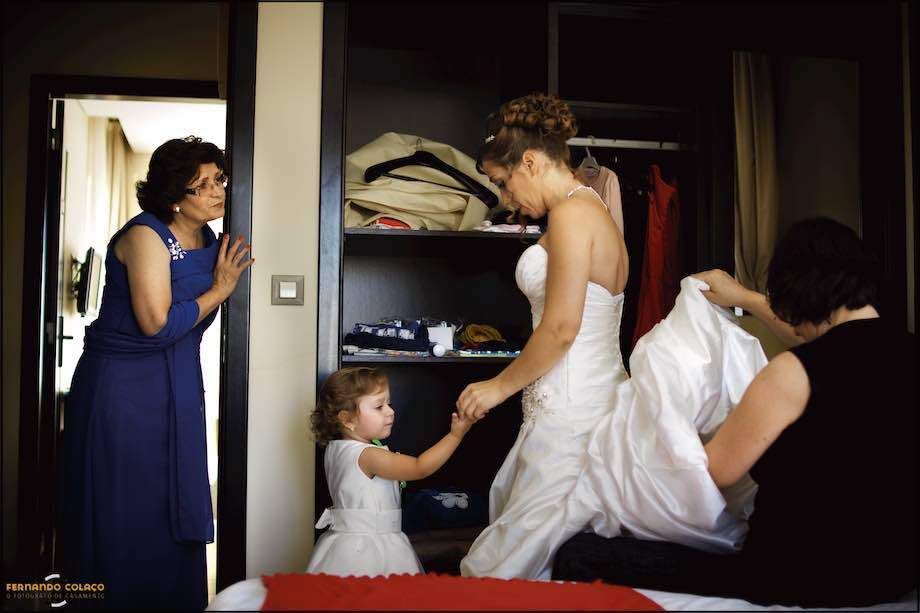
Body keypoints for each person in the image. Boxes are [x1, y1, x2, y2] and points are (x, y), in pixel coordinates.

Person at [553, 218, 918, 607]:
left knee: (576, 553)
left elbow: (714, 472)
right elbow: (827, 340)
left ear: (797, 295)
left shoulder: (792, 374)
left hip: (795, 575)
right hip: (893, 574)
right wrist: (744, 298)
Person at [57, 136, 253, 610]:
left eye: (219, 180)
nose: (217, 192)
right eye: (201, 185)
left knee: (170, 501)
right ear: (171, 196)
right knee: (123, 504)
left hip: (177, 386)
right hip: (122, 391)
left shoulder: (211, 238)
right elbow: (156, 323)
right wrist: (222, 289)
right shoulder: (145, 235)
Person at [307, 367, 476, 577]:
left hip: (343, 544)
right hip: (371, 550)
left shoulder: (337, 449)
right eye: (379, 406)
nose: (390, 411)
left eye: (389, 403)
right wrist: (455, 436)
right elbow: (419, 467)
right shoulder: (368, 455)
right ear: (347, 419)